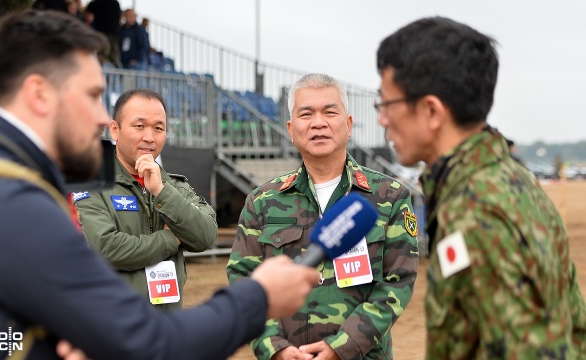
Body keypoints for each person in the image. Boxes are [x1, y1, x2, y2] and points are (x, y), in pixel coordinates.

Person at [0, 9, 320, 360]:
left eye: (158, 127)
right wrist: (259, 297)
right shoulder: (12, 204)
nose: (99, 117)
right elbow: (148, 343)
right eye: (92, 96)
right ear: (39, 93)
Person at [375, 16, 586, 358]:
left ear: (431, 111)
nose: (382, 119)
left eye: (386, 103)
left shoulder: (476, 213)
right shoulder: (510, 180)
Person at [227, 73, 419, 360]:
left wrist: (341, 347)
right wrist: (274, 349)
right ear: (291, 129)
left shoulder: (389, 197)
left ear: (348, 124)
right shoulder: (262, 202)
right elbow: (243, 280)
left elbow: (398, 282)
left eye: (330, 112)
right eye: (306, 114)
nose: (319, 122)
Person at [74, 88, 216, 310]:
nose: (149, 137)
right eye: (139, 126)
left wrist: (161, 191)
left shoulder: (174, 186)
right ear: (115, 130)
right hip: (111, 325)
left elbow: (206, 235)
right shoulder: (91, 184)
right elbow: (106, 248)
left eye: (159, 128)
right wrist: (171, 240)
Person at [85, 0, 122, 67]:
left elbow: (87, 15)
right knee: (112, 56)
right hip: (112, 34)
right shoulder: (115, 3)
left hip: (102, 34)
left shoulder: (96, 3)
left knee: (103, 56)